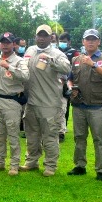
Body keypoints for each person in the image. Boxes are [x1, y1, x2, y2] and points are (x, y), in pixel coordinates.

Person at [20, 24, 71, 177]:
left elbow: (67, 69)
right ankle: (32, 161)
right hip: (31, 102)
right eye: (39, 35)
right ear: (35, 36)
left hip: (49, 103)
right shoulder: (30, 50)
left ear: (51, 38)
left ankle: (50, 165)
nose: (41, 38)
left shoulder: (57, 53)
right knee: (32, 135)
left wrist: (51, 60)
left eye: (45, 35)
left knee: (50, 137)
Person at [65, 29, 102, 181]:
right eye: (88, 39)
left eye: (94, 39)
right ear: (83, 42)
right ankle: (80, 165)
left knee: (98, 138)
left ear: (99, 42)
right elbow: (70, 78)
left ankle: (101, 169)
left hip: (97, 105)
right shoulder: (76, 60)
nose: (91, 42)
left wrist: (93, 65)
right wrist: (70, 87)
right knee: (79, 137)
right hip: (79, 105)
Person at [0, 32, 29, 176]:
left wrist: (9, 67)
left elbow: (25, 76)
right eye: (2, 42)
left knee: (13, 135)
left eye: (8, 42)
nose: (5, 45)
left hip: (12, 101)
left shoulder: (19, 61)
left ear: (13, 45)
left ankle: (14, 165)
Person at [58, 32, 80, 142]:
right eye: (60, 41)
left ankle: (62, 129)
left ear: (69, 42)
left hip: (68, 81)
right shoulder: (56, 52)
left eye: (64, 42)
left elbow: (76, 67)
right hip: (56, 82)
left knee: (64, 107)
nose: (62, 43)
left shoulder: (74, 53)